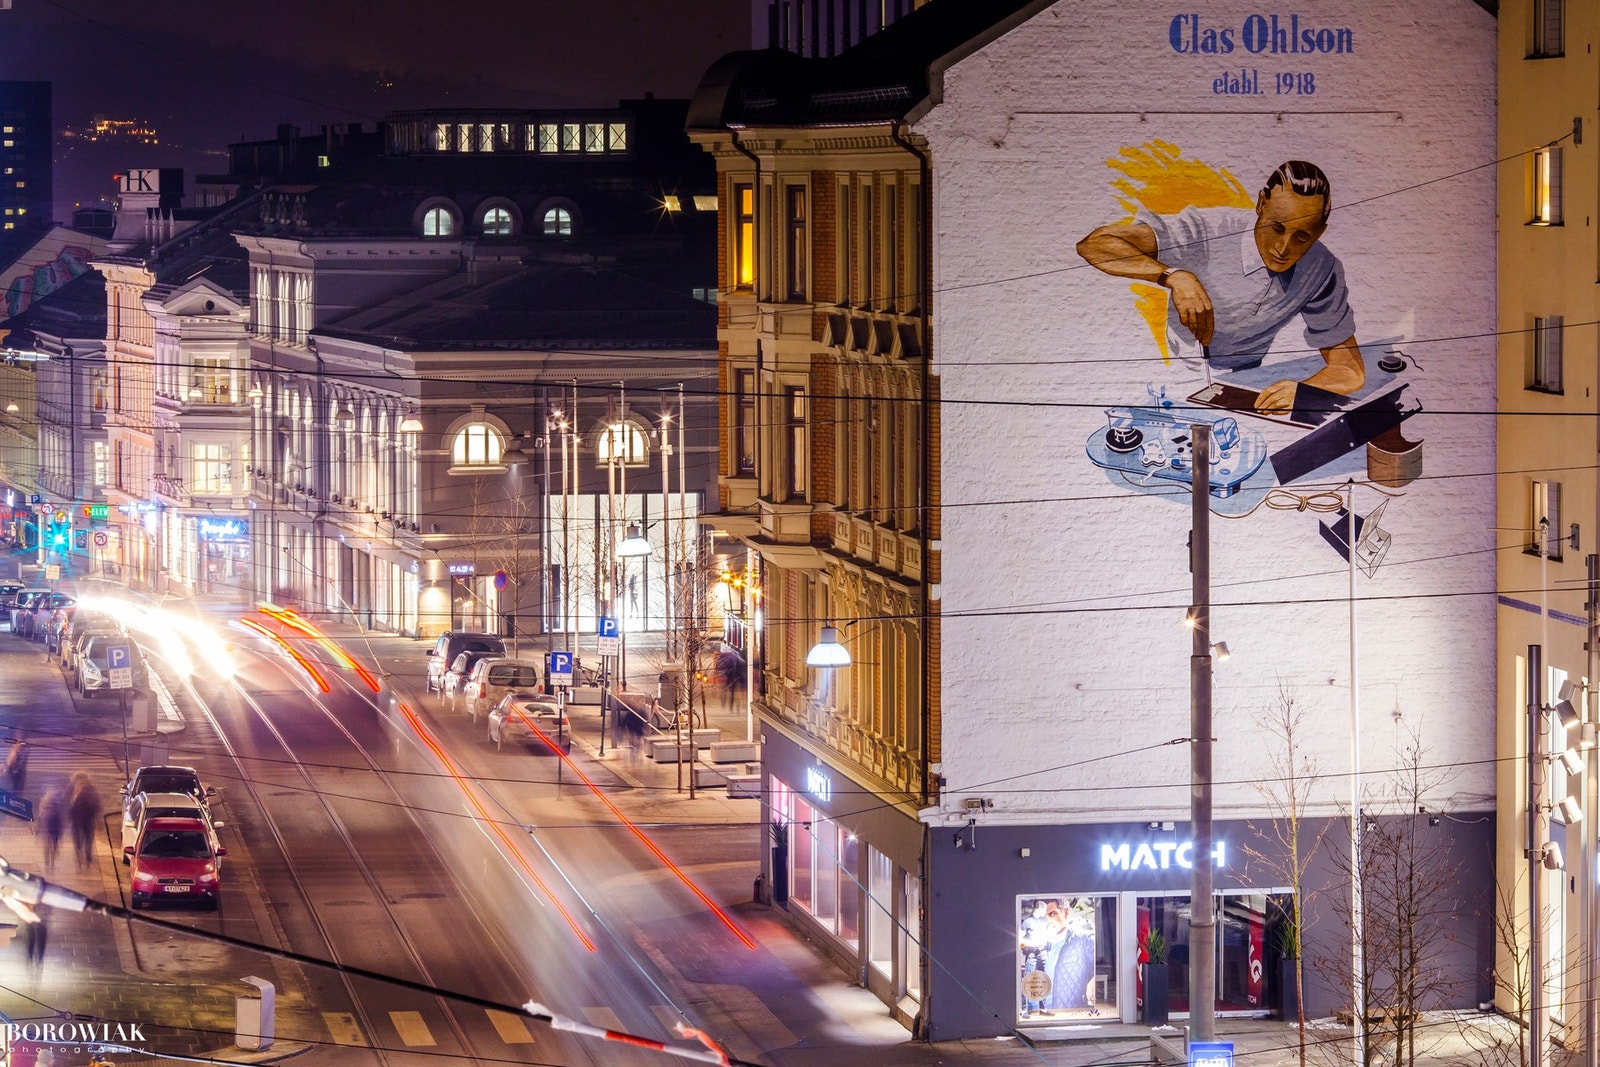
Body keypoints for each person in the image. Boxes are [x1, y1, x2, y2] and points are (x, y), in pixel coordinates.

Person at [1077, 160, 1365, 415]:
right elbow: (1095, 244)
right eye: (1276, 228)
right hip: (1175, 376)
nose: (1283, 248)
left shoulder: (1322, 267)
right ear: (1261, 204)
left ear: (1320, 232)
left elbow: (1349, 370)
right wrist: (1174, 276)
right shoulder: (1205, 230)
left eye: (1302, 237)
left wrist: (1306, 390)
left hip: (1247, 383)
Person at [68, 773, 101, 870]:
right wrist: (98, 821)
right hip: (89, 818)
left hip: (76, 819)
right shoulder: (92, 789)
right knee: (88, 836)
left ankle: (78, 854)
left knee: (77, 836)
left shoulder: (74, 788)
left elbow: (68, 804)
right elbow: (97, 804)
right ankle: (87, 854)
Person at [37, 788, 65, 872]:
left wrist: (38, 829)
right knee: (54, 845)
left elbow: (40, 816)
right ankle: (52, 864)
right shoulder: (58, 804)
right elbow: (61, 818)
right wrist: (61, 832)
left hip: (46, 827)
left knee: (46, 845)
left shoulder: (43, 803)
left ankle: (46, 864)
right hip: (56, 827)